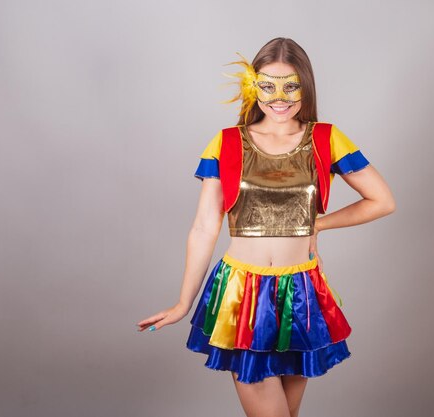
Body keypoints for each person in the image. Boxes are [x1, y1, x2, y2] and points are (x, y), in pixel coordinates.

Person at [137, 37, 395, 417]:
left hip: (303, 291)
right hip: (243, 294)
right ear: (252, 86)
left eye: (291, 85)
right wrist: (183, 302)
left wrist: (317, 224)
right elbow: (205, 227)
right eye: (268, 85)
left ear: (305, 87)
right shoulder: (226, 143)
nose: (280, 97)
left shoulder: (326, 138)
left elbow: (382, 201)